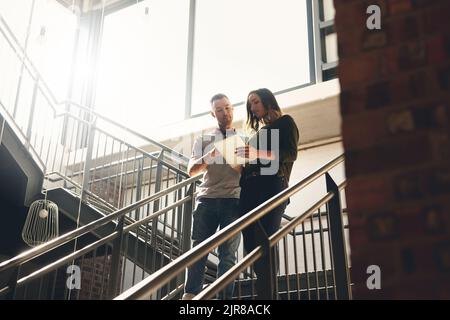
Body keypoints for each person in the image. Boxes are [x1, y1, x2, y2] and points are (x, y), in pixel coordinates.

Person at [235, 88, 299, 299]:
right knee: (251, 245)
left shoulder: (285, 122)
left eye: (255, 102)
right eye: (249, 105)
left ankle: (268, 296)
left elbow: (290, 154)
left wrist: (256, 153)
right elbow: (249, 163)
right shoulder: (256, 135)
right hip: (248, 190)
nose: (252, 108)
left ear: (267, 100)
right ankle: (267, 291)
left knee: (265, 238)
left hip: (272, 185)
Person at [182, 93, 241, 300]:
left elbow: (246, 171)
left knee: (228, 255)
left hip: (233, 200)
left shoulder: (242, 138)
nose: (225, 113)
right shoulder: (203, 140)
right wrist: (210, 155)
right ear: (212, 113)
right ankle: (191, 295)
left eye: (228, 107)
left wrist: (235, 155)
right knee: (199, 250)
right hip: (206, 200)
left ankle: (224, 299)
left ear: (232, 108)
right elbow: (191, 170)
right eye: (219, 109)